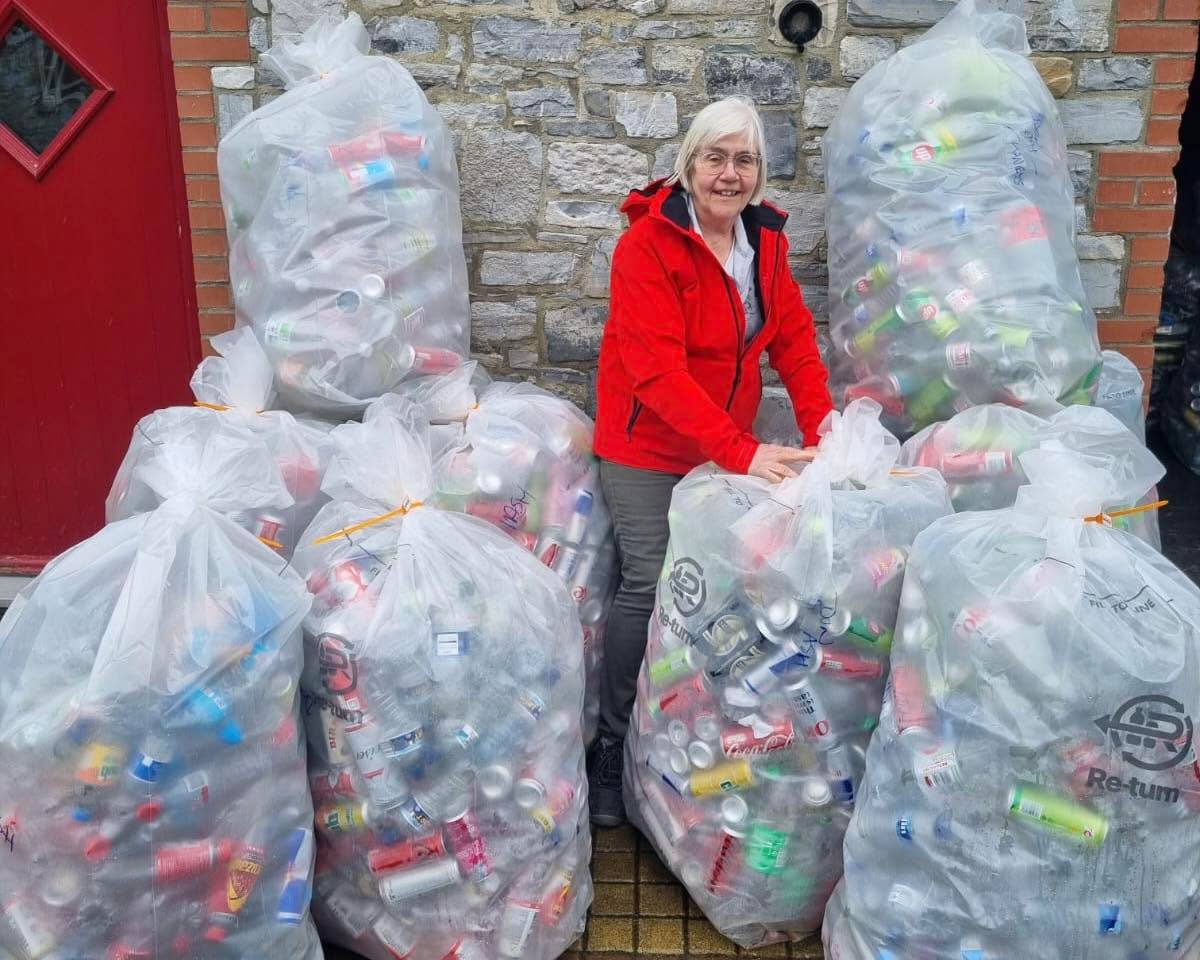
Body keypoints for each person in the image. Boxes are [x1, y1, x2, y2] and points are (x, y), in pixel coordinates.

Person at [589, 96, 834, 827]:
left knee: (711, 592)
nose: (729, 173)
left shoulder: (766, 244)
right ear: (688, 165)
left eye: (745, 160)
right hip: (647, 445)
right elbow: (657, 373)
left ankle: (677, 734)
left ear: (759, 174)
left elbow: (792, 339)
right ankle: (609, 745)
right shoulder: (647, 248)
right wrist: (744, 452)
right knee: (649, 581)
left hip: (726, 447)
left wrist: (829, 431)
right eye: (715, 157)